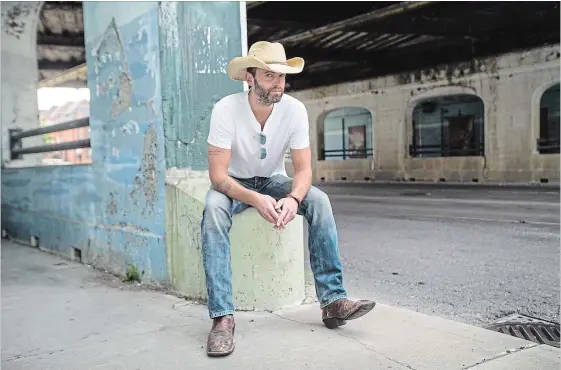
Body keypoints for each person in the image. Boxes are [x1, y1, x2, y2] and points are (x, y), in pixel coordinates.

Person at [202, 41, 376, 357]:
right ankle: (223, 319)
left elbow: (305, 170)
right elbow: (218, 177)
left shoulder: (294, 110)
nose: (278, 83)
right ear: (249, 78)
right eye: (269, 75)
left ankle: (333, 301)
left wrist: (294, 199)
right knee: (213, 209)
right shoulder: (226, 109)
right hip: (235, 183)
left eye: (281, 76)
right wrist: (255, 199)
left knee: (319, 201)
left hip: (274, 179)